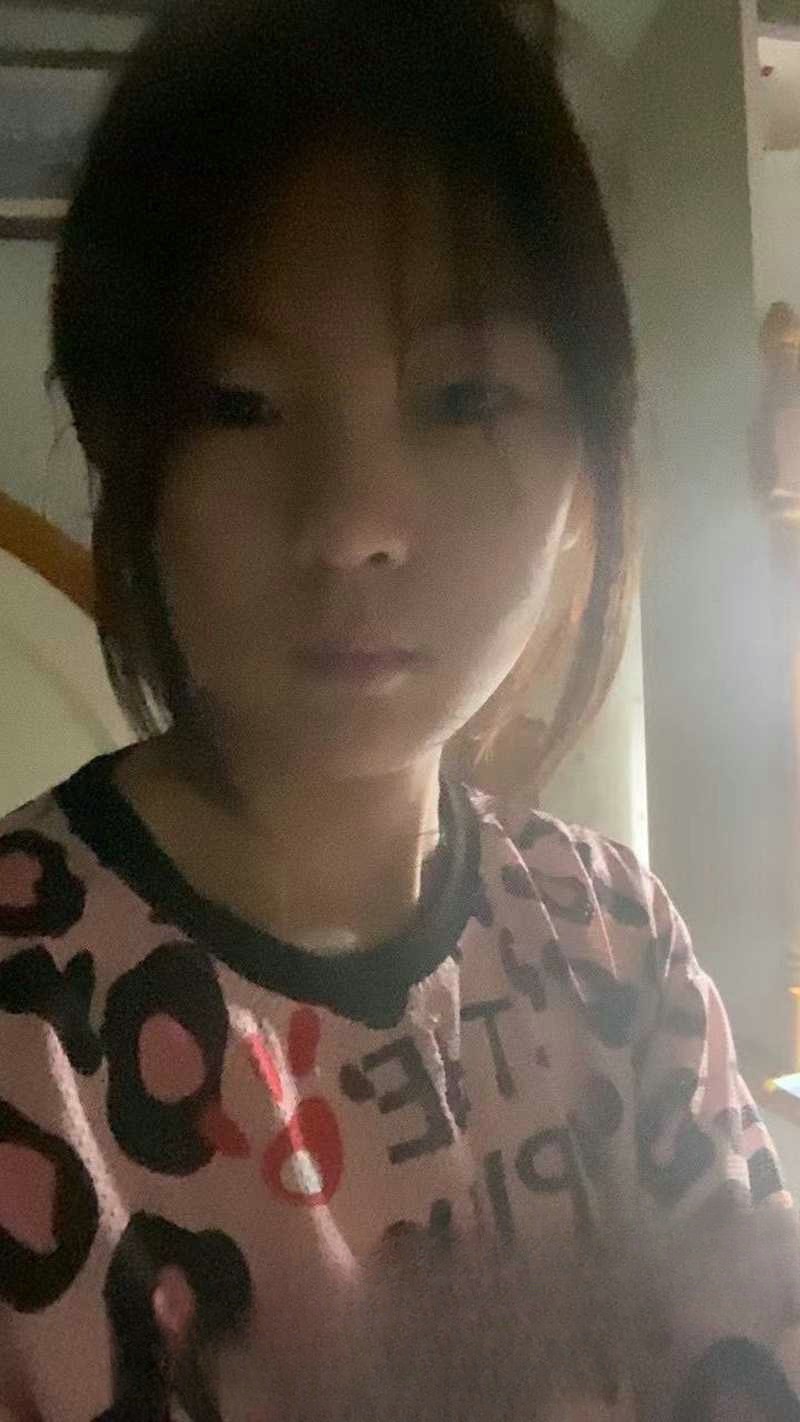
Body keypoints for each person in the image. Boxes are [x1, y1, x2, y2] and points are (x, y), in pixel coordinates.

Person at [1, 1, 798, 1417]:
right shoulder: (25, 1019)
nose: (353, 523)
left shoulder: (616, 948)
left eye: (463, 396)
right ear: (122, 439)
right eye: (238, 403)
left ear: (587, 457)